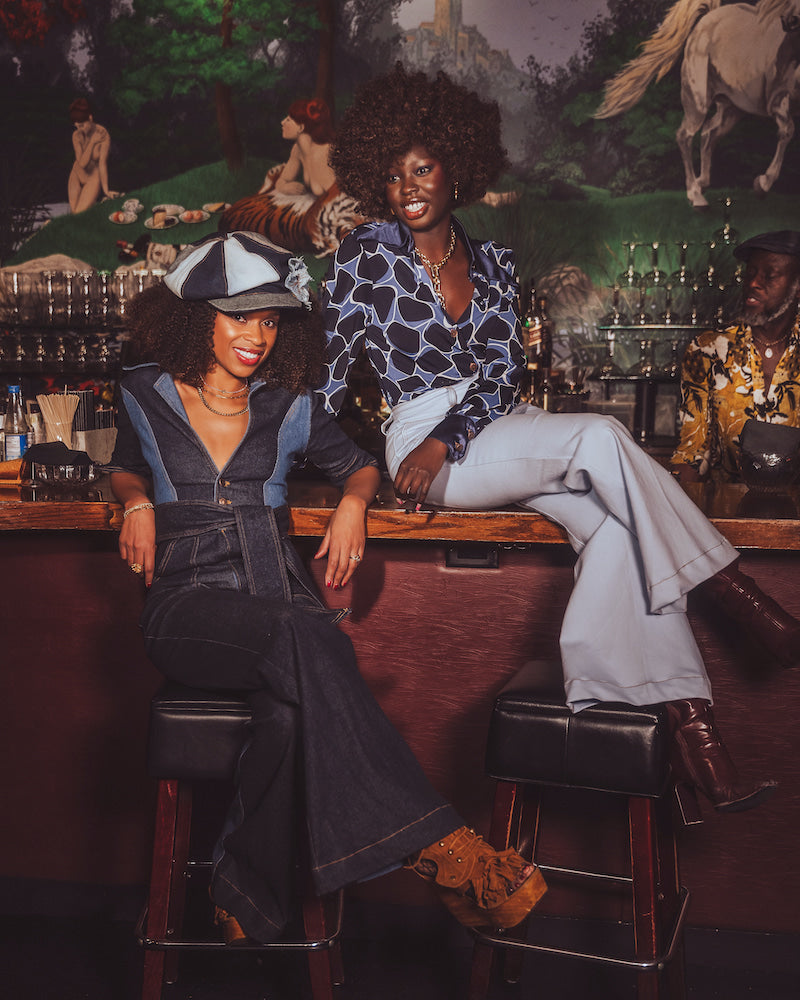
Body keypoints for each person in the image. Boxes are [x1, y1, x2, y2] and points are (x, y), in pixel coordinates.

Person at [319, 64, 800, 815]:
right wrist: (357, 474)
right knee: (601, 436)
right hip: (418, 437)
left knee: (618, 531)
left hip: (491, 424)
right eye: (392, 174)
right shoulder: (364, 256)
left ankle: (698, 745)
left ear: (456, 167)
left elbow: (501, 376)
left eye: (422, 168)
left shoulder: (494, 264)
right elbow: (323, 380)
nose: (407, 186)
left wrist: (453, 434)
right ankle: (744, 603)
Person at [106, 231, 546, 945]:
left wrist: (351, 505)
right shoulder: (141, 390)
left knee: (288, 713)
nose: (257, 336)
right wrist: (135, 503)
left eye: (270, 320)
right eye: (239, 316)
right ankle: (440, 846)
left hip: (273, 590)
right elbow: (125, 465)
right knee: (305, 633)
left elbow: (362, 467)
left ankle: (242, 893)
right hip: (185, 602)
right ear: (198, 317)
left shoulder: (293, 405)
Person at [672, 231, 800, 484]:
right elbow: (693, 452)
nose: (753, 283)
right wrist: (672, 503)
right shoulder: (707, 350)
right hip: (727, 501)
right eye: (750, 273)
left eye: (769, 275)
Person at [220, 99, 364, 256]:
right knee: (241, 216)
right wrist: (284, 186)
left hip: (334, 212)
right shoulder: (298, 149)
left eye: (289, 119)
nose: (283, 122)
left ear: (301, 127)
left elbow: (342, 195)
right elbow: (283, 180)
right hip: (313, 206)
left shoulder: (327, 152)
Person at [68, 97, 118, 213]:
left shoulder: (103, 134)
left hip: (93, 177)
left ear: (90, 118)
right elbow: (82, 163)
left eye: (82, 125)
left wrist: (106, 190)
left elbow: (102, 164)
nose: (80, 129)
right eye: (77, 126)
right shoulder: (76, 135)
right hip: (77, 173)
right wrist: (92, 142)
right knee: (73, 214)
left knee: (79, 213)